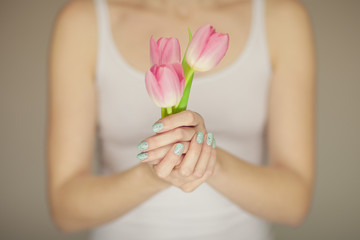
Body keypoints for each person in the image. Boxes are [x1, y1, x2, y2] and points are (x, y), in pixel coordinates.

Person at [46, 0, 316, 239]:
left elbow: (294, 204)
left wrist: (209, 162)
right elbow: (65, 211)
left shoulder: (281, 17)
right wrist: (153, 175)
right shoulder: (83, 20)